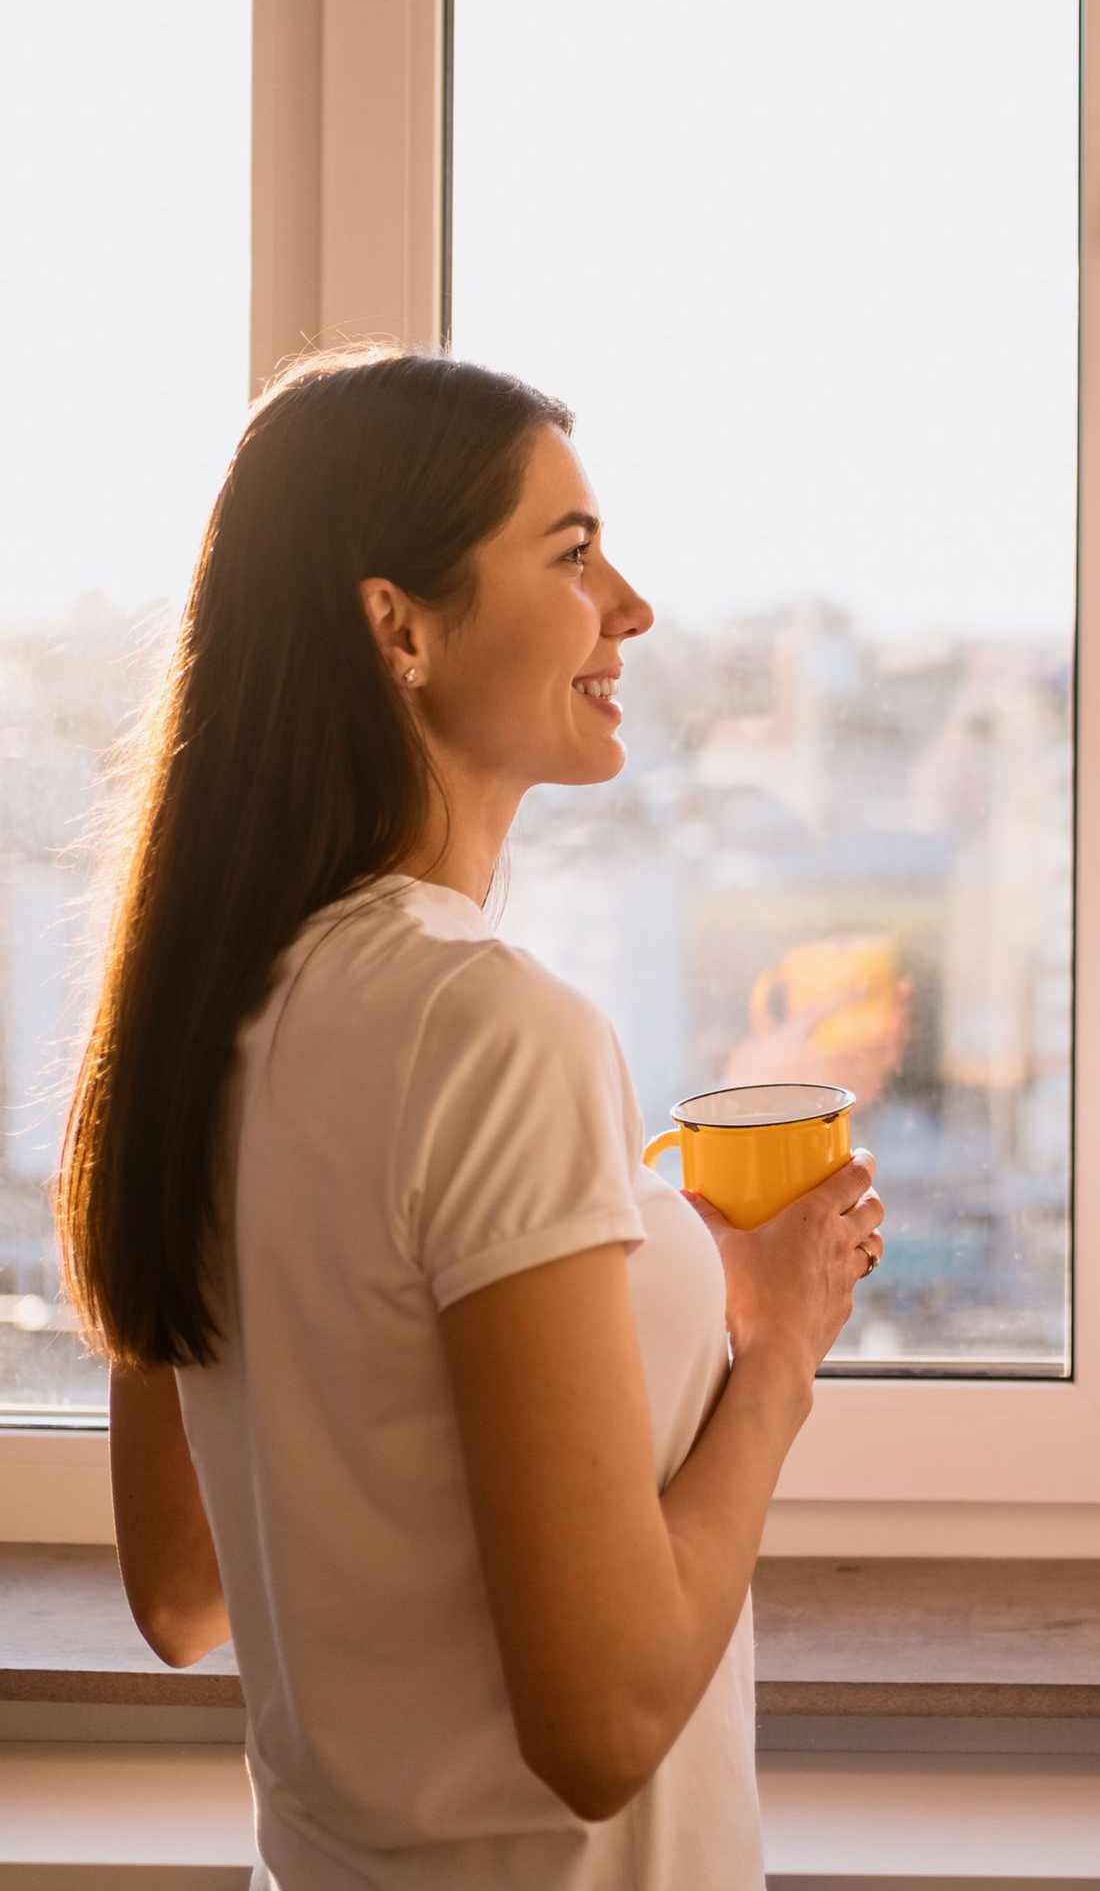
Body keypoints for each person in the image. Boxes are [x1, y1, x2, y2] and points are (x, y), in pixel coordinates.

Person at [60, 346, 886, 1890]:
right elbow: (609, 1719)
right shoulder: (493, 1031)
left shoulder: (204, 1018)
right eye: (572, 556)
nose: (628, 607)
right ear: (401, 628)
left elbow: (186, 1592)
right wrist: (776, 1349)